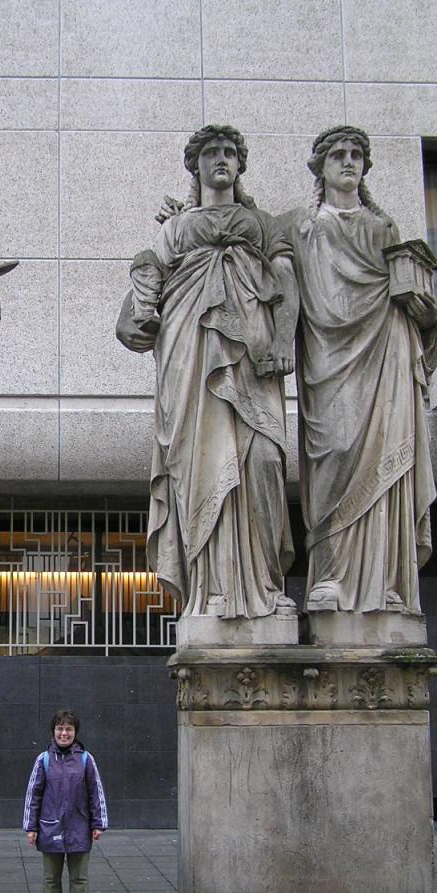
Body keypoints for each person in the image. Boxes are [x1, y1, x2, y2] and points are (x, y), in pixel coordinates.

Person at [118, 125, 298, 621]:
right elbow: (143, 296)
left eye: (229, 153)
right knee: (203, 468)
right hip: (192, 366)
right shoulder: (175, 229)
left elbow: (287, 285)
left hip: (255, 363)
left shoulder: (263, 225)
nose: (221, 159)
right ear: (195, 167)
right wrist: (138, 315)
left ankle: (264, 586)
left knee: (263, 463)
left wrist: (283, 342)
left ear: (240, 165)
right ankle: (211, 588)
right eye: (211, 153)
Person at [281, 126, 437, 614]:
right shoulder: (300, 227)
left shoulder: (383, 229)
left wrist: (423, 306)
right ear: (320, 166)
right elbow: (250, 240)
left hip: (384, 353)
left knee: (385, 464)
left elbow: (415, 298)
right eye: (339, 155)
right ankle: (330, 575)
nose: (349, 162)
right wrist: (184, 216)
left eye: (356, 156)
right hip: (326, 361)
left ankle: (385, 581)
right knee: (333, 453)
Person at [22, 710, 108, 893]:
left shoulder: (86, 759)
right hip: (50, 826)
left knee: (79, 877)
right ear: (53, 731)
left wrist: (98, 823)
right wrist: (31, 827)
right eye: (60, 728)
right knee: (51, 877)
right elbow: (34, 795)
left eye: (69, 729)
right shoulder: (44, 760)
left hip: (79, 826)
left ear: (75, 732)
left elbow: (95, 792)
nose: (64, 733)